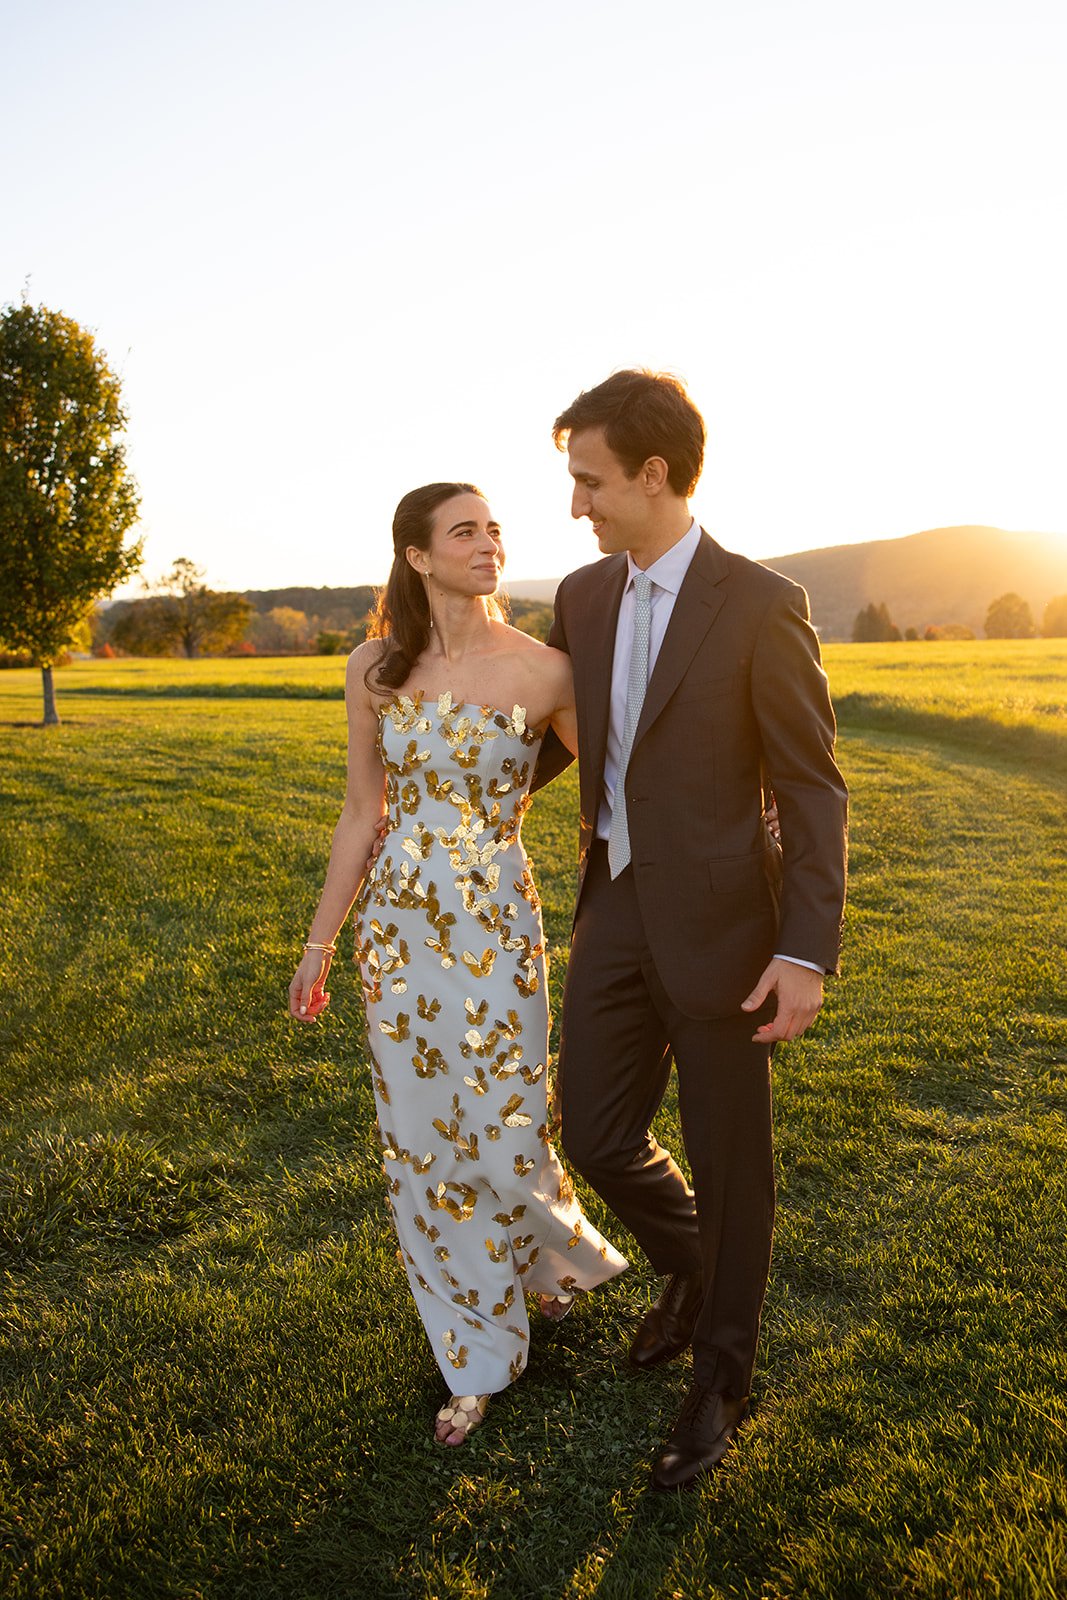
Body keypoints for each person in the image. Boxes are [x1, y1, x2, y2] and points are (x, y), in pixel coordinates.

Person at [533, 370, 848, 1491]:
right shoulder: (579, 594)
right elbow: (563, 734)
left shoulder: (762, 603)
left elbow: (811, 789)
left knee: (729, 1161)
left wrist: (803, 950)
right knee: (601, 1127)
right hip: (612, 903)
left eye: (589, 480)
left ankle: (720, 1379)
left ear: (652, 475)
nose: (575, 504)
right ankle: (691, 1267)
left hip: (727, 924)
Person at [288, 481, 626, 1447]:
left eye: (494, 530)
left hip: (496, 930)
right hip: (395, 936)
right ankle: (475, 1353)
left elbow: (620, 791)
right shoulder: (372, 668)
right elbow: (364, 814)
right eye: (464, 531)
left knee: (503, 1120)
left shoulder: (547, 672)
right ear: (419, 556)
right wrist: (319, 943)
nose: (488, 544)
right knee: (425, 1142)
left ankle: (547, 1264)